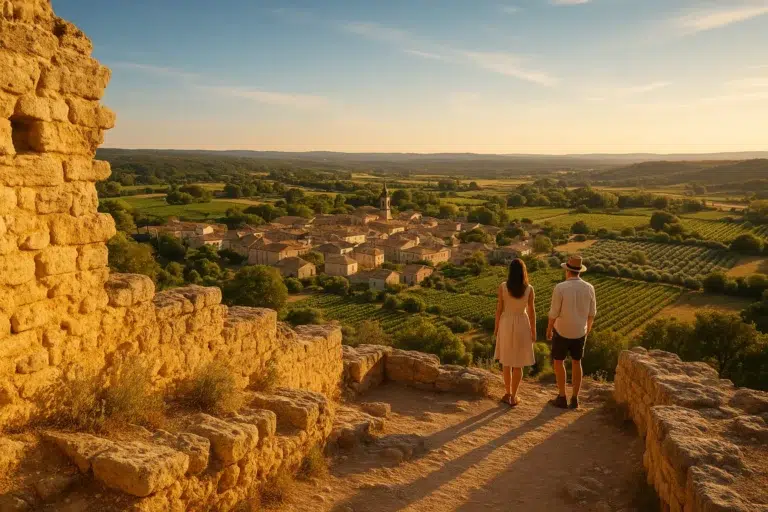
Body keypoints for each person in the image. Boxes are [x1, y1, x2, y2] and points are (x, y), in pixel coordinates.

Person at [546, 254, 596, 410]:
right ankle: (575, 398)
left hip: (561, 330)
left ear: (567, 271)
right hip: (580, 331)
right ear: (579, 271)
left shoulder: (560, 287)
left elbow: (554, 313)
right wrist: (587, 330)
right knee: (576, 362)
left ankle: (562, 396)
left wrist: (549, 329)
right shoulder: (589, 288)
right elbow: (592, 314)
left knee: (558, 361)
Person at [494, 258, 537, 407]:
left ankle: (507, 394)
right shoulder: (529, 289)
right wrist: (534, 331)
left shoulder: (503, 286)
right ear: (523, 272)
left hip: (506, 322)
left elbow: (499, 309)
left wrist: (496, 328)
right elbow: (532, 312)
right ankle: (514, 395)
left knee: (506, 362)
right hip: (522, 324)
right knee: (518, 364)